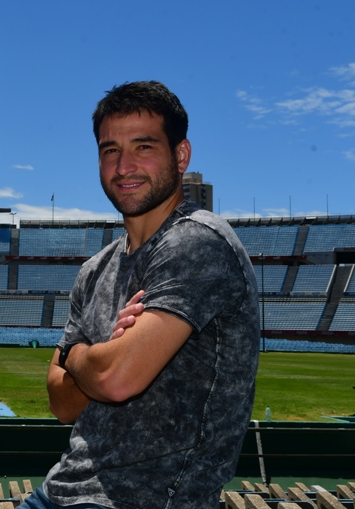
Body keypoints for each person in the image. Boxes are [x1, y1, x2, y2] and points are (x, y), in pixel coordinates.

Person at [25, 81, 261, 509]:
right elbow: (61, 403)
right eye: (110, 150)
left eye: (143, 147)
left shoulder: (199, 241)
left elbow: (117, 380)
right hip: (58, 491)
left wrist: (79, 356)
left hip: (151, 497)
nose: (123, 166)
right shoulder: (94, 271)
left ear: (181, 155)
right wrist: (103, 357)